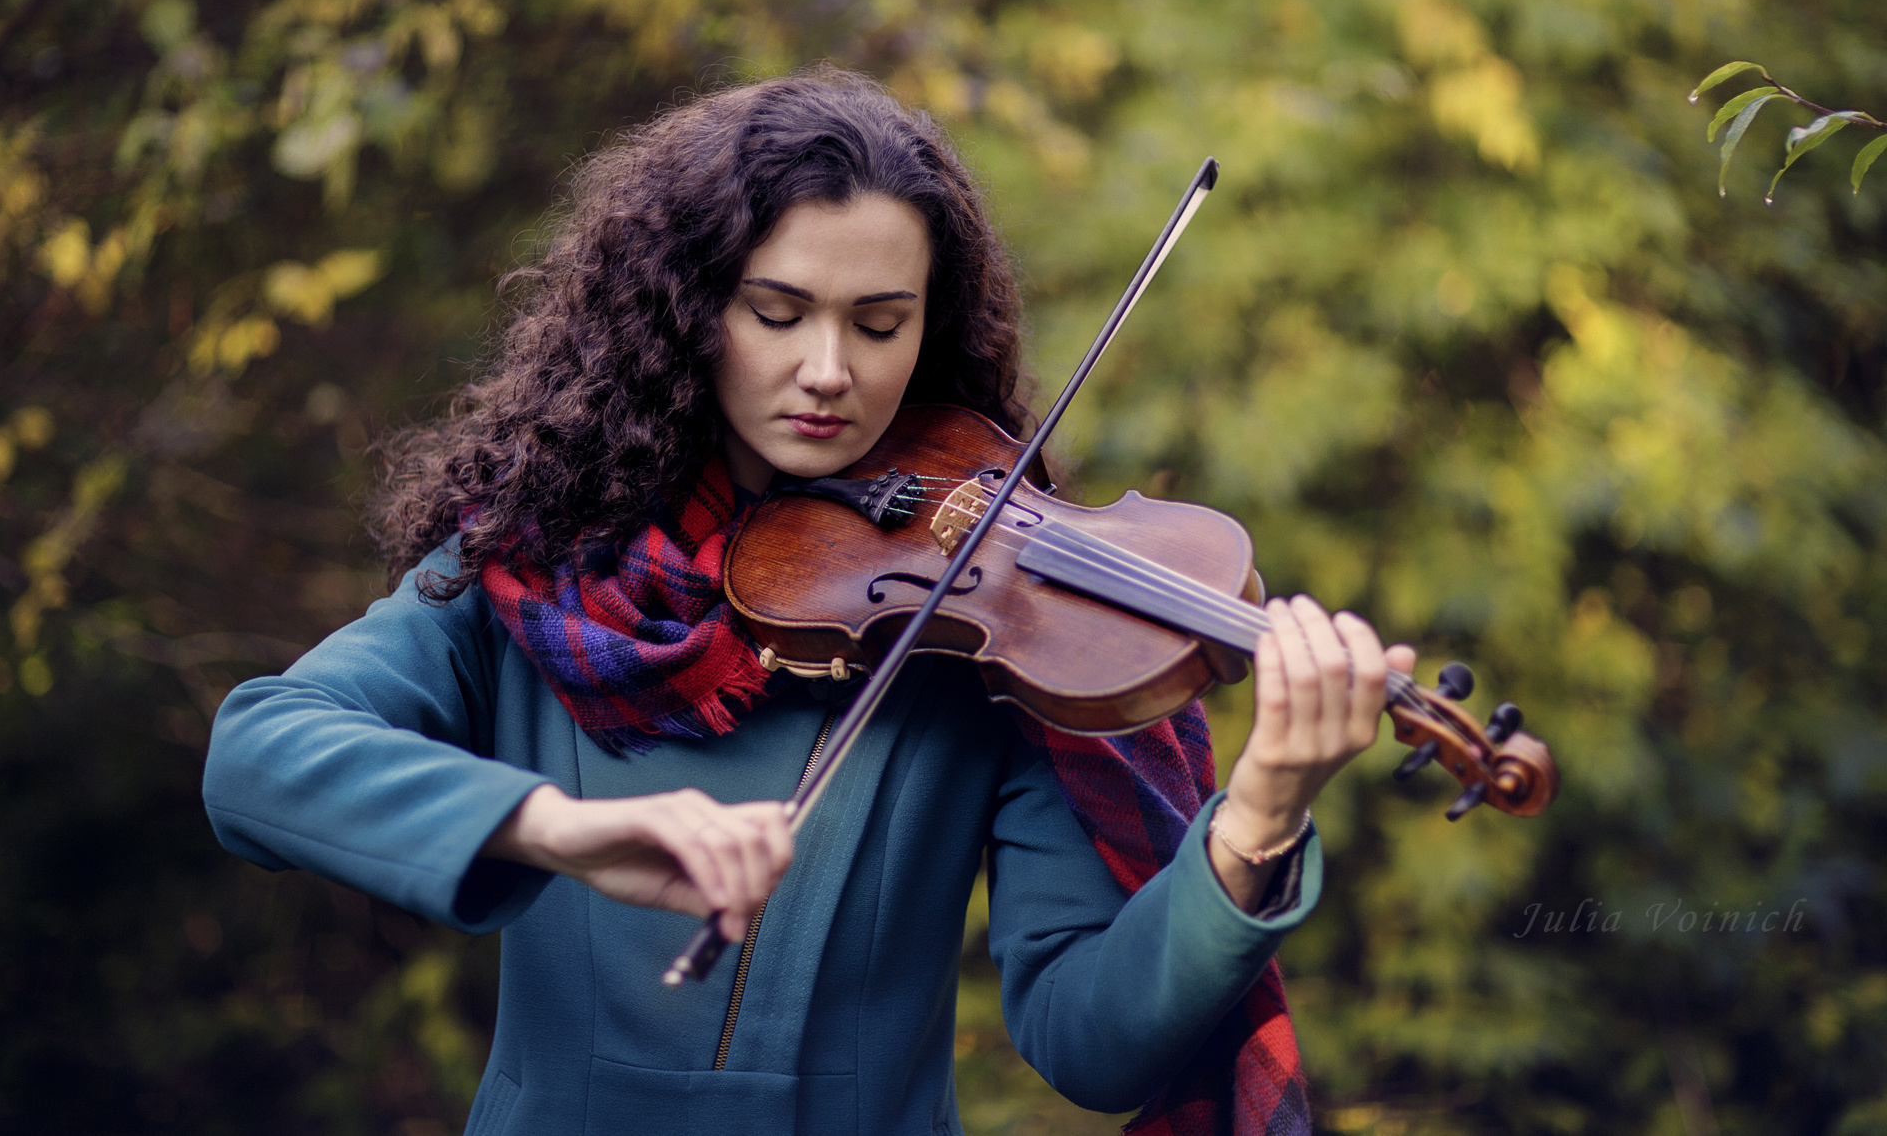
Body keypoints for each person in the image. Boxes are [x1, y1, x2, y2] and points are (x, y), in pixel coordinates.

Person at [202, 69, 1414, 1136]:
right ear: (686, 314)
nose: (828, 371)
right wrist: (551, 826)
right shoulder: (531, 561)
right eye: (775, 314)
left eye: (879, 323)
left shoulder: (1008, 613)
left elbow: (1092, 1043)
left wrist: (1256, 812)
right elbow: (259, 751)